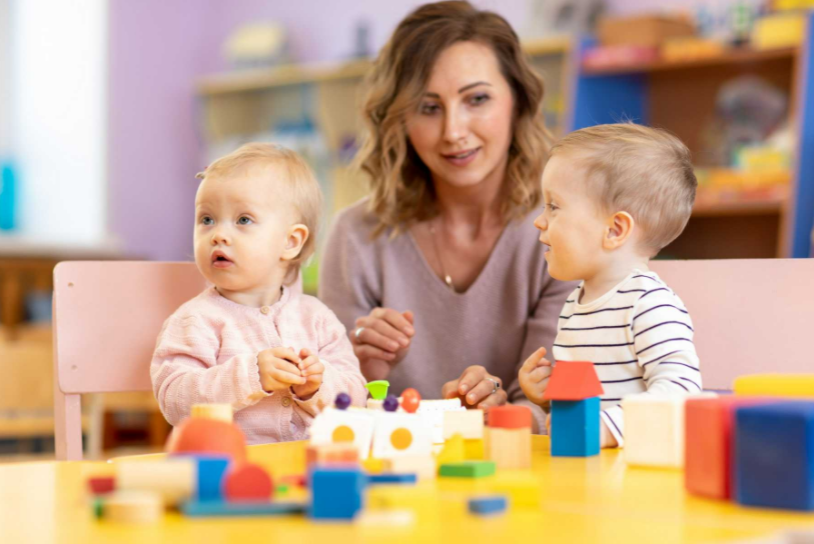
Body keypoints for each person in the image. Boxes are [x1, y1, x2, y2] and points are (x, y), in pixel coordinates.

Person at [319, 1, 574, 432]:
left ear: (518, 100)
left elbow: (555, 405)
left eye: (477, 99)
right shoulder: (355, 236)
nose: (454, 131)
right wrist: (366, 369)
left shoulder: (564, 233)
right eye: (428, 106)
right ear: (399, 119)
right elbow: (333, 409)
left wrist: (499, 414)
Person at [151, 143, 367, 444]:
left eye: (243, 220)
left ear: (291, 242)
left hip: (311, 467)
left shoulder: (317, 318)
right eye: (207, 219)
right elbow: (174, 401)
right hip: (229, 469)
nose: (218, 234)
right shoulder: (194, 320)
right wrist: (248, 376)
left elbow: (357, 396)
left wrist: (317, 386)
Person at [519, 123, 702, 448]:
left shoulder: (650, 304)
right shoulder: (576, 304)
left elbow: (682, 392)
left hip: (633, 478)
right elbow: (590, 403)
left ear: (615, 229)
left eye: (554, 206)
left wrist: (607, 427)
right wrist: (548, 399)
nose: (539, 220)